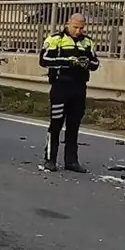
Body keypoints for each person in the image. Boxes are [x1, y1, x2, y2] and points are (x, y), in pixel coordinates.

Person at [38, 12, 100, 173]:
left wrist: (86, 63)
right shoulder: (55, 39)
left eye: (81, 28)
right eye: (75, 27)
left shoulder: (88, 42)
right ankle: (50, 159)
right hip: (60, 87)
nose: (78, 31)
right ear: (68, 24)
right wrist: (68, 62)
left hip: (79, 88)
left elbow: (95, 63)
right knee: (56, 124)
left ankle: (71, 161)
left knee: (74, 126)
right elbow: (44, 60)